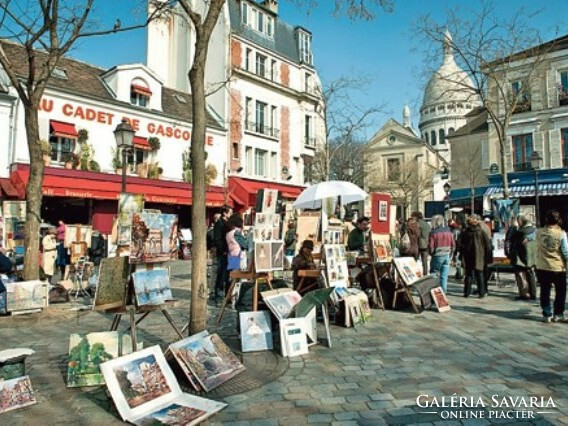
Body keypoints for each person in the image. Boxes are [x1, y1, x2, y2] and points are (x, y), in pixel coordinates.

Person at [535, 210, 568, 323]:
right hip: (558, 266)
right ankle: (558, 314)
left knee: (545, 291)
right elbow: (565, 251)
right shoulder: (561, 233)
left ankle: (546, 313)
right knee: (560, 291)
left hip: (542, 265)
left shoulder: (538, 232)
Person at [460, 214, 492, 298]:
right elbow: (487, 245)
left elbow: (460, 244)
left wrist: (462, 252)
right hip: (480, 255)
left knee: (469, 274)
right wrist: (488, 255)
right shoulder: (481, 232)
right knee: (479, 273)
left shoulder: (465, 232)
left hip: (468, 255)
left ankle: (467, 292)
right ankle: (481, 292)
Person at [509, 214, 537, 301]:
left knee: (521, 276)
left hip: (521, 257)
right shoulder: (534, 230)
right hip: (532, 256)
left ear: (521, 221)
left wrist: (514, 227)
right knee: (531, 274)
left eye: (518, 220)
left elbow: (511, 238)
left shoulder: (520, 232)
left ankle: (524, 294)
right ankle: (533, 294)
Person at [428, 215, 455, 293]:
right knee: (444, 276)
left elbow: (431, 246)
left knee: (434, 274)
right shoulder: (449, 231)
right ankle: (443, 292)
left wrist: (431, 253)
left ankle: (435, 293)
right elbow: (453, 244)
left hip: (437, 255)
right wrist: (451, 254)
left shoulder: (433, 233)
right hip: (447, 254)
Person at [212, 205, 232, 299]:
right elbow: (218, 239)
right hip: (223, 252)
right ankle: (218, 292)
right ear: (225, 213)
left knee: (228, 273)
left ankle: (228, 292)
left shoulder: (228, 223)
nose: (231, 214)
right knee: (221, 272)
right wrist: (223, 250)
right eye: (230, 212)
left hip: (229, 252)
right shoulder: (219, 223)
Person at [411, 211, 431, 275]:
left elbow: (416, 234)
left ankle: (414, 274)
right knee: (425, 262)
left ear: (416, 217)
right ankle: (425, 275)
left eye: (413, 217)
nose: (412, 218)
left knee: (414, 260)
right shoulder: (427, 224)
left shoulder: (418, 224)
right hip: (426, 244)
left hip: (419, 244)